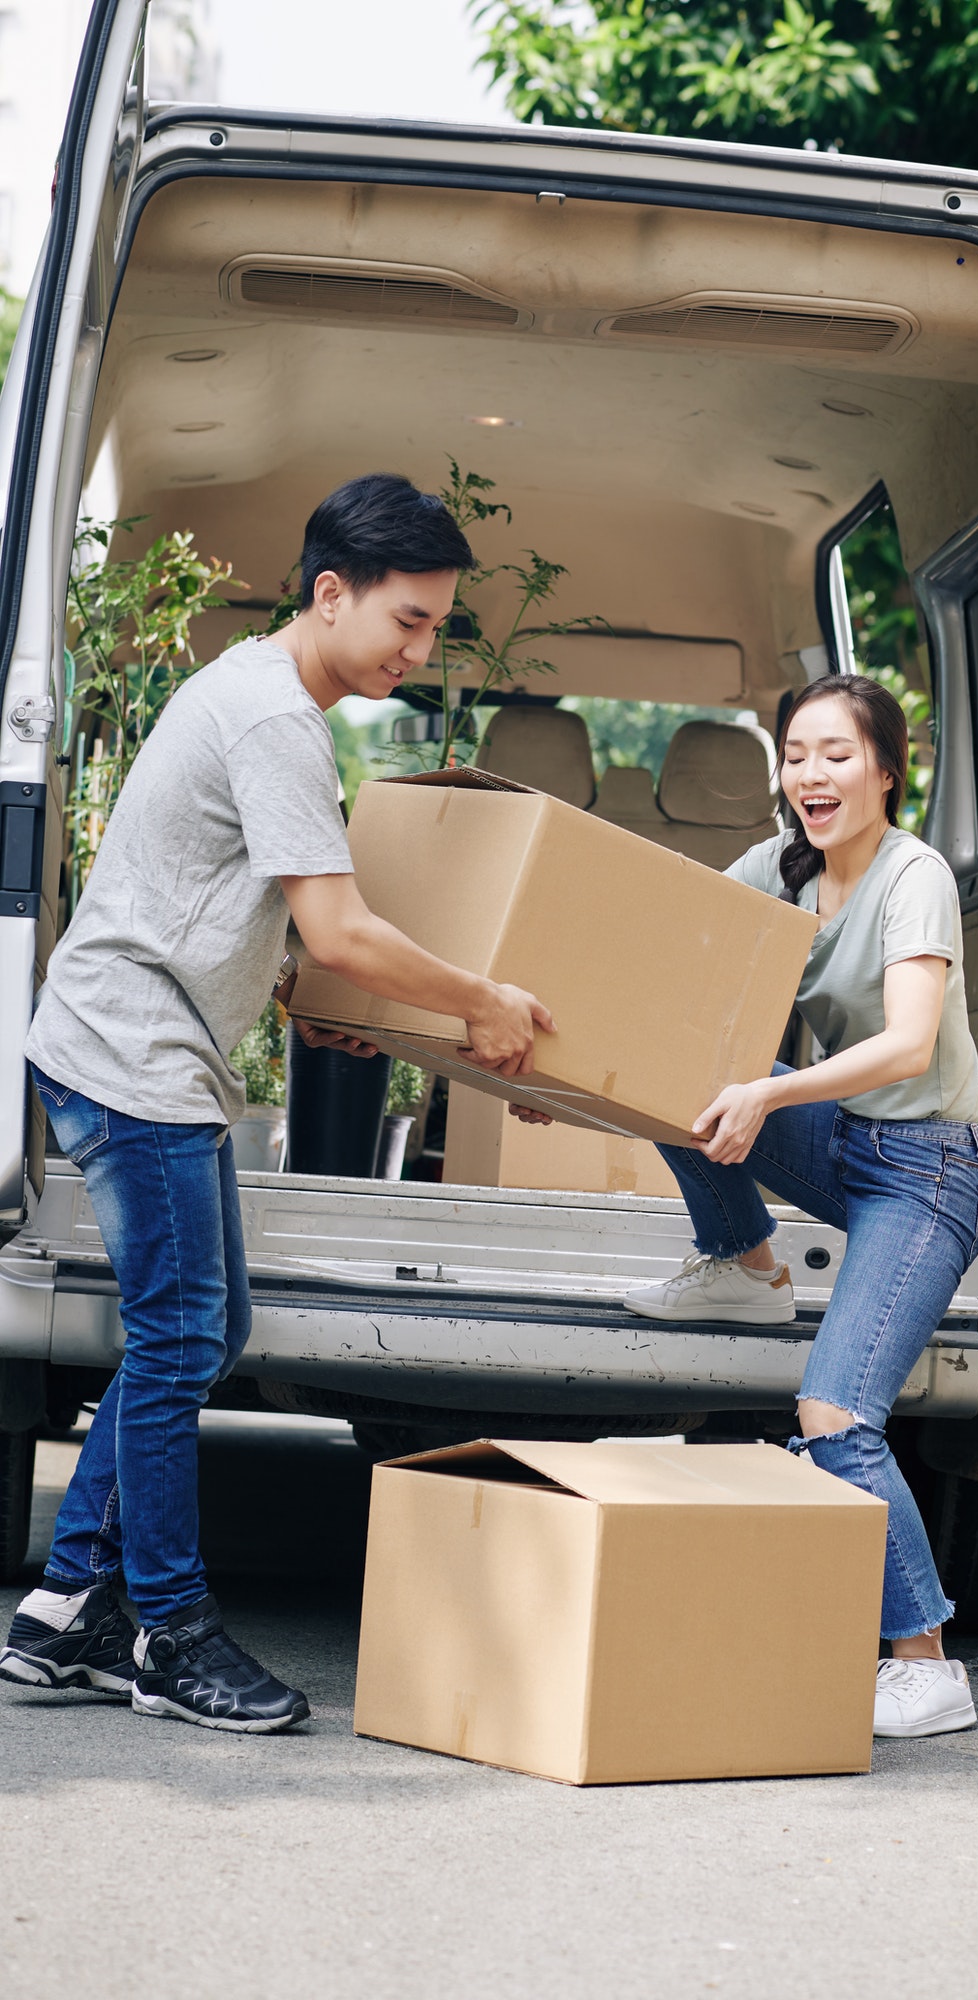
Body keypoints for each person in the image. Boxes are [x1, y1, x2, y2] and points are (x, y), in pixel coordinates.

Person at [0, 473, 553, 1734]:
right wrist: (482, 1000)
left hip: (128, 1045)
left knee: (197, 1322)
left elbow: (282, 926)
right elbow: (344, 924)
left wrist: (299, 983)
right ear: (329, 593)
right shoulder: (275, 721)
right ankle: (168, 1631)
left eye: (433, 627)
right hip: (131, 1054)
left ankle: (65, 1608)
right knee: (186, 1334)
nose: (419, 648)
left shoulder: (257, 695)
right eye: (407, 621)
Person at [623, 673, 978, 1740]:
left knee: (833, 1414)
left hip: (930, 1170)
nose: (811, 775)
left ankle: (925, 1662)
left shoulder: (911, 874)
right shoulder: (782, 867)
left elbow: (909, 1042)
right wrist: (575, 1073)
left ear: (885, 768)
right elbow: (676, 951)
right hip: (850, 1142)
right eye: (795, 754)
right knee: (667, 1064)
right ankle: (741, 1259)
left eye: (836, 754)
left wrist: (770, 1087)